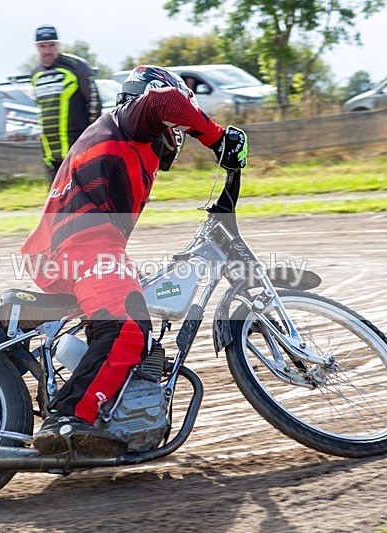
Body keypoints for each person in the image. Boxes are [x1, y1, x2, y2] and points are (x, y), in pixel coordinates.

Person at [21, 66, 248, 457]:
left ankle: (109, 407)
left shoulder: (126, 140)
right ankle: (69, 419)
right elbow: (165, 102)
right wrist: (217, 137)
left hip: (77, 248)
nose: (176, 133)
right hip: (78, 247)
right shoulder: (130, 121)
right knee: (128, 327)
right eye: (176, 126)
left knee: (130, 308)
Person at [31, 24, 101, 186]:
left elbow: (94, 103)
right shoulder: (35, 73)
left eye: (52, 45)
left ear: (59, 45)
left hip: (76, 144)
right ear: (36, 47)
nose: (47, 51)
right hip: (50, 149)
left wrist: (91, 135)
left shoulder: (76, 66)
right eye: (42, 46)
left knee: (83, 195)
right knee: (55, 199)